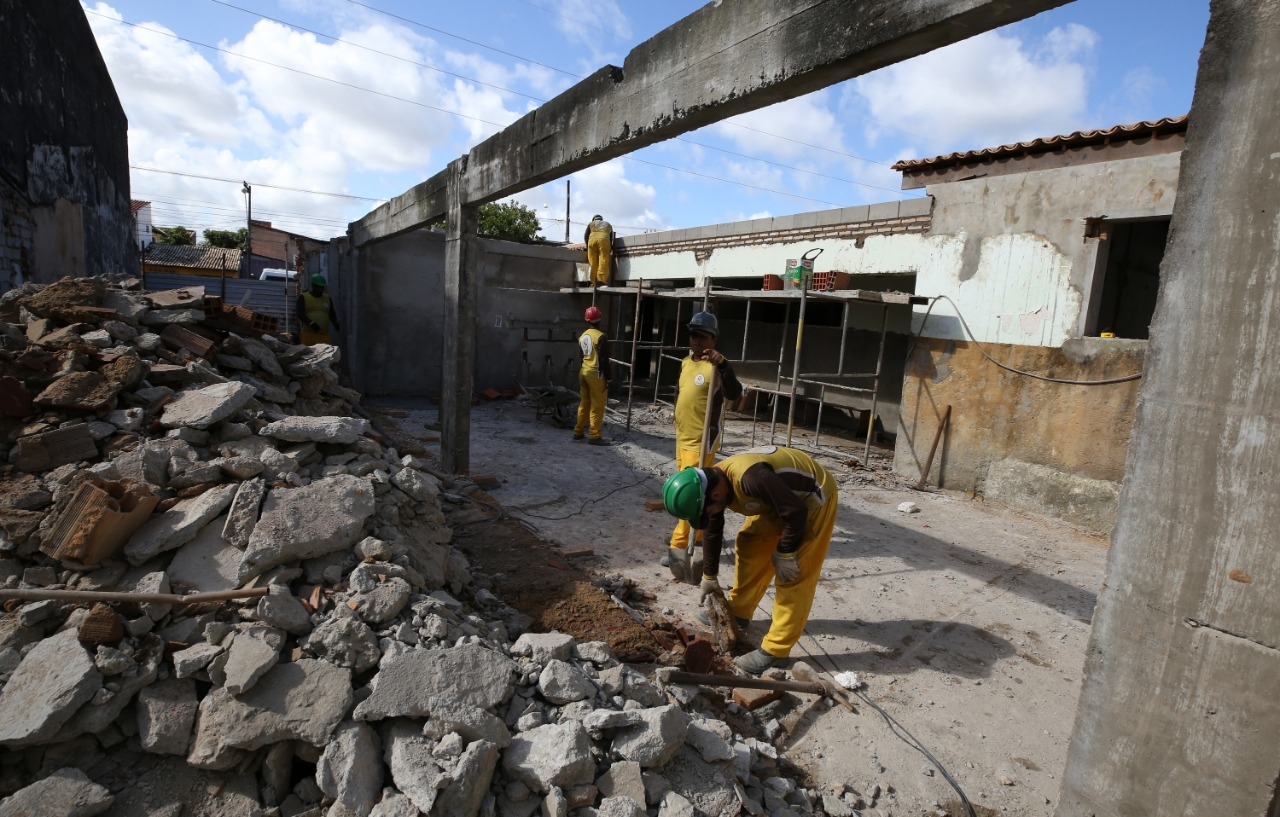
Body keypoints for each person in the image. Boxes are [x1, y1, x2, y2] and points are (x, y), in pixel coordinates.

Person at [661, 445, 838, 675]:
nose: (711, 514)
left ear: (714, 495)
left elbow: (795, 513)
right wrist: (709, 577)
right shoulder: (714, 483)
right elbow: (714, 530)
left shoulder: (752, 479)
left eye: (707, 510)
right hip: (783, 500)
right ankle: (740, 612)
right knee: (750, 544)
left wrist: (785, 552)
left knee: (792, 576)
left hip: (811, 501)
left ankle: (776, 651)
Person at [664, 311, 742, 581]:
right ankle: (695, 536)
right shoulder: (686, 362)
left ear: (713, 339)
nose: (695, 340)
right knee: (688, 487)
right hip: (682, 436)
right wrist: (676, 411)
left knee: (689, 493)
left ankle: (677, 545)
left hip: (700, 440)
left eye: (701, 336)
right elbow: (680, 389)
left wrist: (721, 365)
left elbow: (734, 393)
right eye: (692, 334)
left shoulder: (718, 366)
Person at [573, 305, 611, 445]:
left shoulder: (582, 336)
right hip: (595, 374)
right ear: (599, 319)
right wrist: (609, 378)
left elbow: (581, 356)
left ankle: (578, 432)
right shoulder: (601, 337)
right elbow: (604, 360)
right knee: (597, 405)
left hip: (583, 372)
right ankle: (594, 436)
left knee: (584, 403)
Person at [297, 274, 340, 345]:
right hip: (308, 335)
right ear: (313, 286)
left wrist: (335, 323)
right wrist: (311, 323)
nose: (320, 289)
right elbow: (300, 313)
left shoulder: (327, 298)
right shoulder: (304, 297)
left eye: (322, 287)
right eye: (318, 287)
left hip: (323, 335)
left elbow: (332, 313)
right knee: (308, 355)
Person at [583, 214, 614, 288]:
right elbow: (611, 237)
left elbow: (586, 236)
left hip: (592, 241)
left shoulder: (591, 223)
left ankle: (593, 282)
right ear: (601, 219)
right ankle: (601, 281)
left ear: (594, 219)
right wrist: (611, 247)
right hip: (604, 241)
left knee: (592, 262)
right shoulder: (608, 225)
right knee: (603, 260)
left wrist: (588, 246)